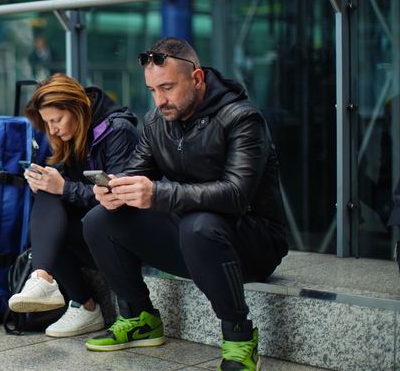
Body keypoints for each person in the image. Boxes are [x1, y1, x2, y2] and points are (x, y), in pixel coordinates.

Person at [82, 37, 288, 371]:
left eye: (167, 87)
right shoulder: (156, 123)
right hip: (194, 239)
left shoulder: (242, 118)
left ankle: (239, 338)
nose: (160, 100)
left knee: (198, 225)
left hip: (253, 243)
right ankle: (139, 317)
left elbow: (236, 194)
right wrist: (113, 192)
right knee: (99, 220)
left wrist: (159, 194)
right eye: (152, 90)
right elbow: (134, 175)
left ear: (196, 79)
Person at [7, 73, 139, 338]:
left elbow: (120, 198)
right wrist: (44, 182)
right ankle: (51, 285)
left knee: (55, 196)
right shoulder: (70, 135)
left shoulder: (118, 131)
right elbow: (61, 192)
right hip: (92, 231)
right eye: (47, 123)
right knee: (46, 200)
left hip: (127, 233)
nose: (52, 130)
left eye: (56, 120)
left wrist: (63, 187)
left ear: (77, 108)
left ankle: (66, 294)